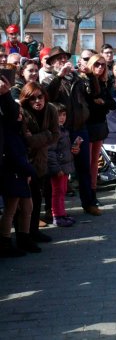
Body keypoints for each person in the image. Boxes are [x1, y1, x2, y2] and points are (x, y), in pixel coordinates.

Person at [43, 46, 99, 216]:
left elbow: (95, 93)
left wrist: (90, 74)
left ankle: (89, 203)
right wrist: (59, 77)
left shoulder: (77, 77)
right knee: (56, 172)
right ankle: (52, 210)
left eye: (64, 58)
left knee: (84, 168)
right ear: (52, 63)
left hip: (80, 129)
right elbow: (48, 97)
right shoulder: (49, 80)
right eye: (58, 59)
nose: (62, 61)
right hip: (61, 131)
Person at [19, 82, 60, 241]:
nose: (37, 101)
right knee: (23, 202)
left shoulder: (51, 109)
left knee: (37, 198)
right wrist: (46, 134)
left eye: (40, 97)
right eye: (32, 98)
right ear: (26, 100)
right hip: (25, 161)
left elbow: (55, 135)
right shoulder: (21, 111)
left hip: (41, 160)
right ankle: (24, 234)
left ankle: (34, 231)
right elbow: (25, 141)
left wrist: (36, 138)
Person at [0, 104, 39, 256]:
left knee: (27, 207)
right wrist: (30, 171)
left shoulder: (18, 131)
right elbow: (15, 156)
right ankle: (5, 241)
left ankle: (24, 237)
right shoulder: (8, 132)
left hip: (21, 174)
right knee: (11, 209)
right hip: (13, 174)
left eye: (21, 113)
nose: (20, 116)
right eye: (18, 114)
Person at [85, 54, 116, 206]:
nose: (100, 67)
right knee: (87, 163)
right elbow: (89, 102)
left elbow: (112, 104)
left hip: (98, 126)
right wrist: (98, 103)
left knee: (93, 164)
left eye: (103, 65)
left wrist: (102, 102)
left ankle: (92, 195)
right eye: (97, 64)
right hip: (85, 126)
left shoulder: (104, 83)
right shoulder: (84, 81)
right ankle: (88, 198)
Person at [47, 103, 80, 227]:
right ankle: (57, 215)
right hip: (59, 167)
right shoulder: (54, 131)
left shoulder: (63, 129)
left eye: (64, 115)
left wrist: (74, 149)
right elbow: (51, 152)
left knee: (63, 190)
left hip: (65, 166)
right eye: (58, 115)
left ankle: (62, 213)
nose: (62, 118)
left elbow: (63, 149)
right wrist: (56, 168)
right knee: (57, 191)